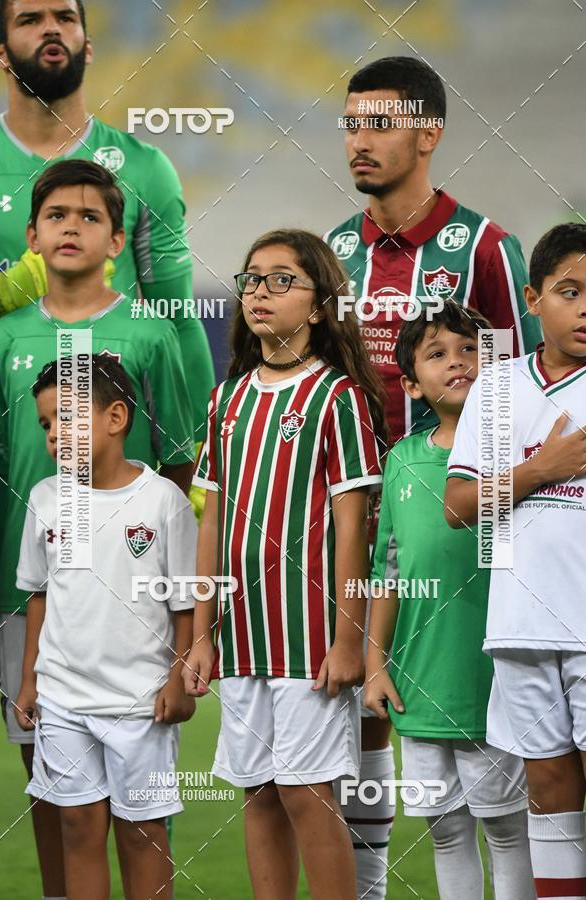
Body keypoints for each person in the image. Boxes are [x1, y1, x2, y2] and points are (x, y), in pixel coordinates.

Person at [324, 55, 542, 898]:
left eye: (379, 122)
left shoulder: (484, 246)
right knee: (363, 702)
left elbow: (522, 383)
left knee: (475, 702)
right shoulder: (338, 250)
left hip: (458, 509)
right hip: (355, 502)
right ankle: (371, 888)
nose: (359, 140)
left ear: (429, 131)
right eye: (350, 123)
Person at [0, 159, 195, 899]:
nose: (70, 226)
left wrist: (184, 631)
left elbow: (177, 464)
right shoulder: (1, 335)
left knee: (141, 817)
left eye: (90, 216)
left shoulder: (150, 332)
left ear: (116, 241)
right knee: (50, 777)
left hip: (133, 603)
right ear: (33, 234)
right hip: (33, 587)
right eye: (55, 216)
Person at [184, 229, 386, 900]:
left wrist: (349, 638)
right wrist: (200, 633)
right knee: (260, 793)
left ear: (322, 306)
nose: (259, 292)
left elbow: (354, 526)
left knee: (307, 793)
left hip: (310, 641)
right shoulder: (226, 401)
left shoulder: (338, 398)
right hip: (242, 639)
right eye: (251, 279)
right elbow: (211, 521)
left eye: (280, 280)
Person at [0, 0, 215, 572]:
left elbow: (179, 316)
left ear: (88, 45)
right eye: (29, 19)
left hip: (123, 437)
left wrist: (202, 452)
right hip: (11, 441)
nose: (50, 30)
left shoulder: (144, 167)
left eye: (65, 17)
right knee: (23, 617)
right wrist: (2, 295)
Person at [365, 300, 534, 899]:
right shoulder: (401, 462)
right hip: (418, 679)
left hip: (496, 675)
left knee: (508, 829)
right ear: (410, 383)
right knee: (445, 830)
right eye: (437, 354)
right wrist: (375, 665)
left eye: (470, 350)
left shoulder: (523, 452)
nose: (458, 363)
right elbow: (386, 571)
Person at [15, 353, 197, 900]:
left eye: (66, 418)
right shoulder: (45, 499)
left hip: (141, 704)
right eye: (46, 424)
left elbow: (186, 601)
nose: (53, 436)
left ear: (116, 418)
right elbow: (40, 598)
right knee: (77, 829)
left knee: (144, 837)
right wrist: (30, 681)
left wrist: (178, 677)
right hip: (65, 699)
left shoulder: (164, 500)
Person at [445, 223, 586, 900]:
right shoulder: (497, 388)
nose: (585, 307)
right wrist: (542, 468)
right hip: (521, 624)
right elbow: (460, 503)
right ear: (533, 298)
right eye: (570, 290)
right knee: (550, 788)